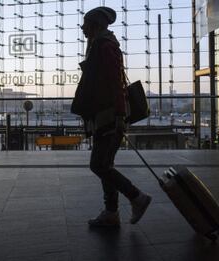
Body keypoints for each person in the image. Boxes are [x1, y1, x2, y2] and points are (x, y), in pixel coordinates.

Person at [72, 6, 152, 227]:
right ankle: (111, 212)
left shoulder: (104, 46)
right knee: (105, 164)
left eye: (85, 23)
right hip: (105, 116)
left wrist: (118, 114)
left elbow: (115, 83)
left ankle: (137, 197)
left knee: (99, 165)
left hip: (108, 117)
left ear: (96, 25)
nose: (82, 27)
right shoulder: (102, 45)